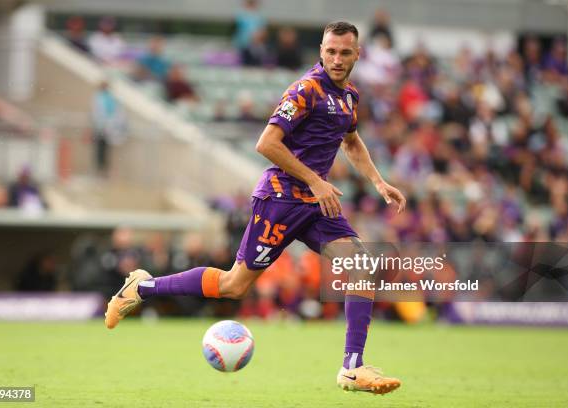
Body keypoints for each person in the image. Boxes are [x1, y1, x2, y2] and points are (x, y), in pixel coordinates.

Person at [105, 22, 406, 395]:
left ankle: (352, 367)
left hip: (316, 204)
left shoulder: (349, 98)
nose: (337, 59)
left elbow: (352, 141)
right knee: (234, 285)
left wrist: (378, 182)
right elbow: (267, 143)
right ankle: (142, 287)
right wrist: (314, 179)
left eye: (345, 52)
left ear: (358, 54)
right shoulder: (305, 90)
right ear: (321, 51)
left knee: (360, 266)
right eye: (330, 51)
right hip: (281, 199)